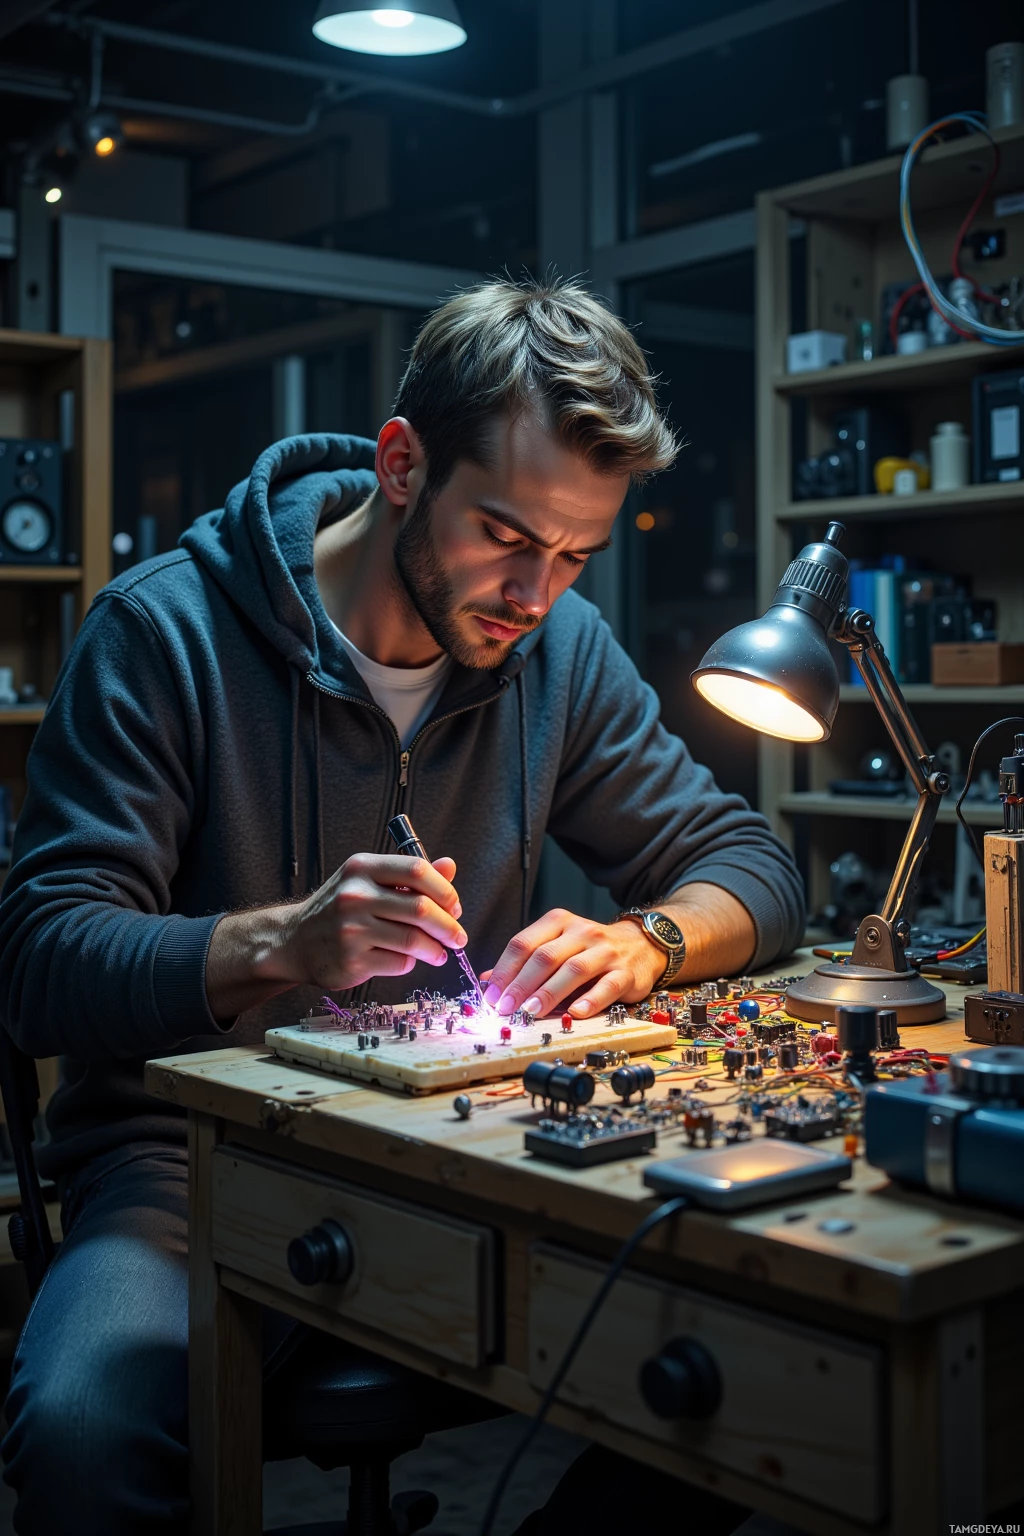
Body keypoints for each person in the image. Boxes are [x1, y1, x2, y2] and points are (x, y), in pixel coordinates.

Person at [0, 276, 803, 1532]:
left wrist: (648, 936)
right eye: (506, 536)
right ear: (400, 463)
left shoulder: (560, 653)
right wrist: (277, 941)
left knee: (765, 1366)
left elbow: (751, 867)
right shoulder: (163, 635)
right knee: (87, 1427)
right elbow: (41, 957)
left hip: (467, 1146)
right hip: (189, 1164)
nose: (535, 596)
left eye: (576, 555)